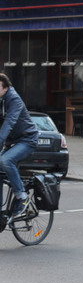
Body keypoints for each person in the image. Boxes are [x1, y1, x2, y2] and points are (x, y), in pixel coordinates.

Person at [0, 73, 39, 218]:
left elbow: (9, 122)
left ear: (6, 88)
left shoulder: (14, 99)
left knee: (5, 160)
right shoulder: (1, 99)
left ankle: (21, 197)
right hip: (12, 141)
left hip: (27, 140)